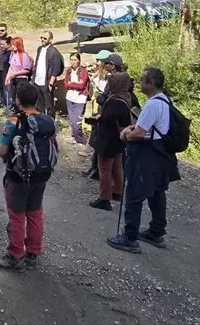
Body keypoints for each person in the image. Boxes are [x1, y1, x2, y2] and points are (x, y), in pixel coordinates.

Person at [108, 68, 180, 253]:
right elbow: (145, 125)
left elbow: (139, 133)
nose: (139, 83)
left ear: (150, 83)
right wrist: (134, 127)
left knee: (134, 195)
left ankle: (130, 237)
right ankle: (156, 231)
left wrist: (126, 135)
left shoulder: (152, 105)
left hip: (147, 156)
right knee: (157, 193)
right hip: (161, 154)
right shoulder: (164, 100)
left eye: (142, 80)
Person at [0, 82, 57, 271]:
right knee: (35, 213)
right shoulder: (47, 121)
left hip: (18, 176)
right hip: (41, 175)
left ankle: (15, 256)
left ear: (18, 100)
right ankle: (33, 253)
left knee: (16, 215)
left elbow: (2, 150)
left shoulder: (15, 121)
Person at [90, 71, 136, 210]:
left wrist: (99, 118)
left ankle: (104, 198)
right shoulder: (127, 97)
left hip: (108, 140)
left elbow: (108, 119)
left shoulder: (115, 102)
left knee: (104, 168)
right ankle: (117, 191)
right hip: (119, 139)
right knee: (117, 167)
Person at [32, 31, 64, 116]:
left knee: (49, 106)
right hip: (37, 81)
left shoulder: (54, 52)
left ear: (50, 40)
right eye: (41, 38)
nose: (42, 39)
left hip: (47, 83)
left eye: (45, 38)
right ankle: (41, 122)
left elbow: (56, 69)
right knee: (39, 105)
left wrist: (51, 83)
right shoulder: (40, 49)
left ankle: (50, 124)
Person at [63, 53, 92, 148]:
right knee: (72, 120)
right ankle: (74, 136)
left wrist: (72, 84)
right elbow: (66, 84)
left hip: (80, 98)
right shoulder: (68, 71)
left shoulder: (83, 71)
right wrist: (73, 84)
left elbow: (81, 85)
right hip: (70, 97)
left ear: (79, 60)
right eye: (71, 59)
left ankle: (80, 140)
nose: (73, 62)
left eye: (75, 60)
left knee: (77, 121)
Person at [4, 37, 32, 111]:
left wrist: (15, 74)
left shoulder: (24, 55)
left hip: (22, 80)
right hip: (14, 80)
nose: (12, 46)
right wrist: (8, 76)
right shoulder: (13, 54)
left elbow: (27, 70)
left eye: (14, 45)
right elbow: (11, 66)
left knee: (19, 99)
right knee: (14, 99)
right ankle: (16, 115)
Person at [0, 24, 12, 106]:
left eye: (2, 30)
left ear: (6, 30)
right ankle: (3, 101)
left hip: (5, 67)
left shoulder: (9, 40)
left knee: (6, 86)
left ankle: (9, 104)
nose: (0, 32)